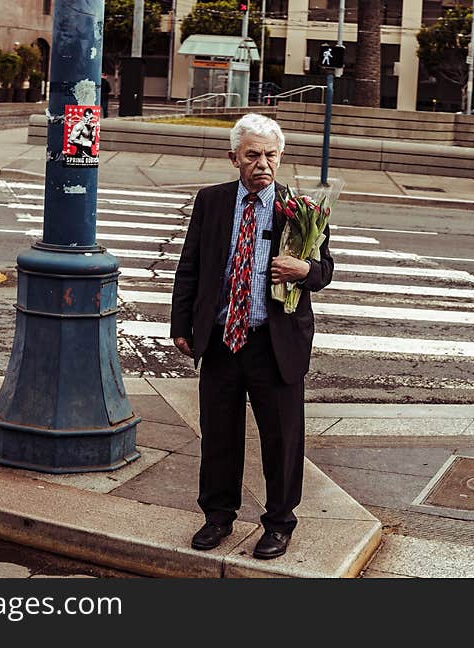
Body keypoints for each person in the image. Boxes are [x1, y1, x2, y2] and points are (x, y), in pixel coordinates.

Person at [170, 113, 334, 560]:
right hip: (222, 340)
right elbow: (190, 267)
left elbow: (325, 271)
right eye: (252, 155)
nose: (263, 163)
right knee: (219, 435)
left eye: (270, 154)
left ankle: (279, 523)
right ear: (234, 159)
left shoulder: (302, 209)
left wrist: (305, 270)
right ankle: (218, 516)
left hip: (273, 343)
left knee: (282, 439)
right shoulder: (212, 202)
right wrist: (181, 326)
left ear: (280, 158)